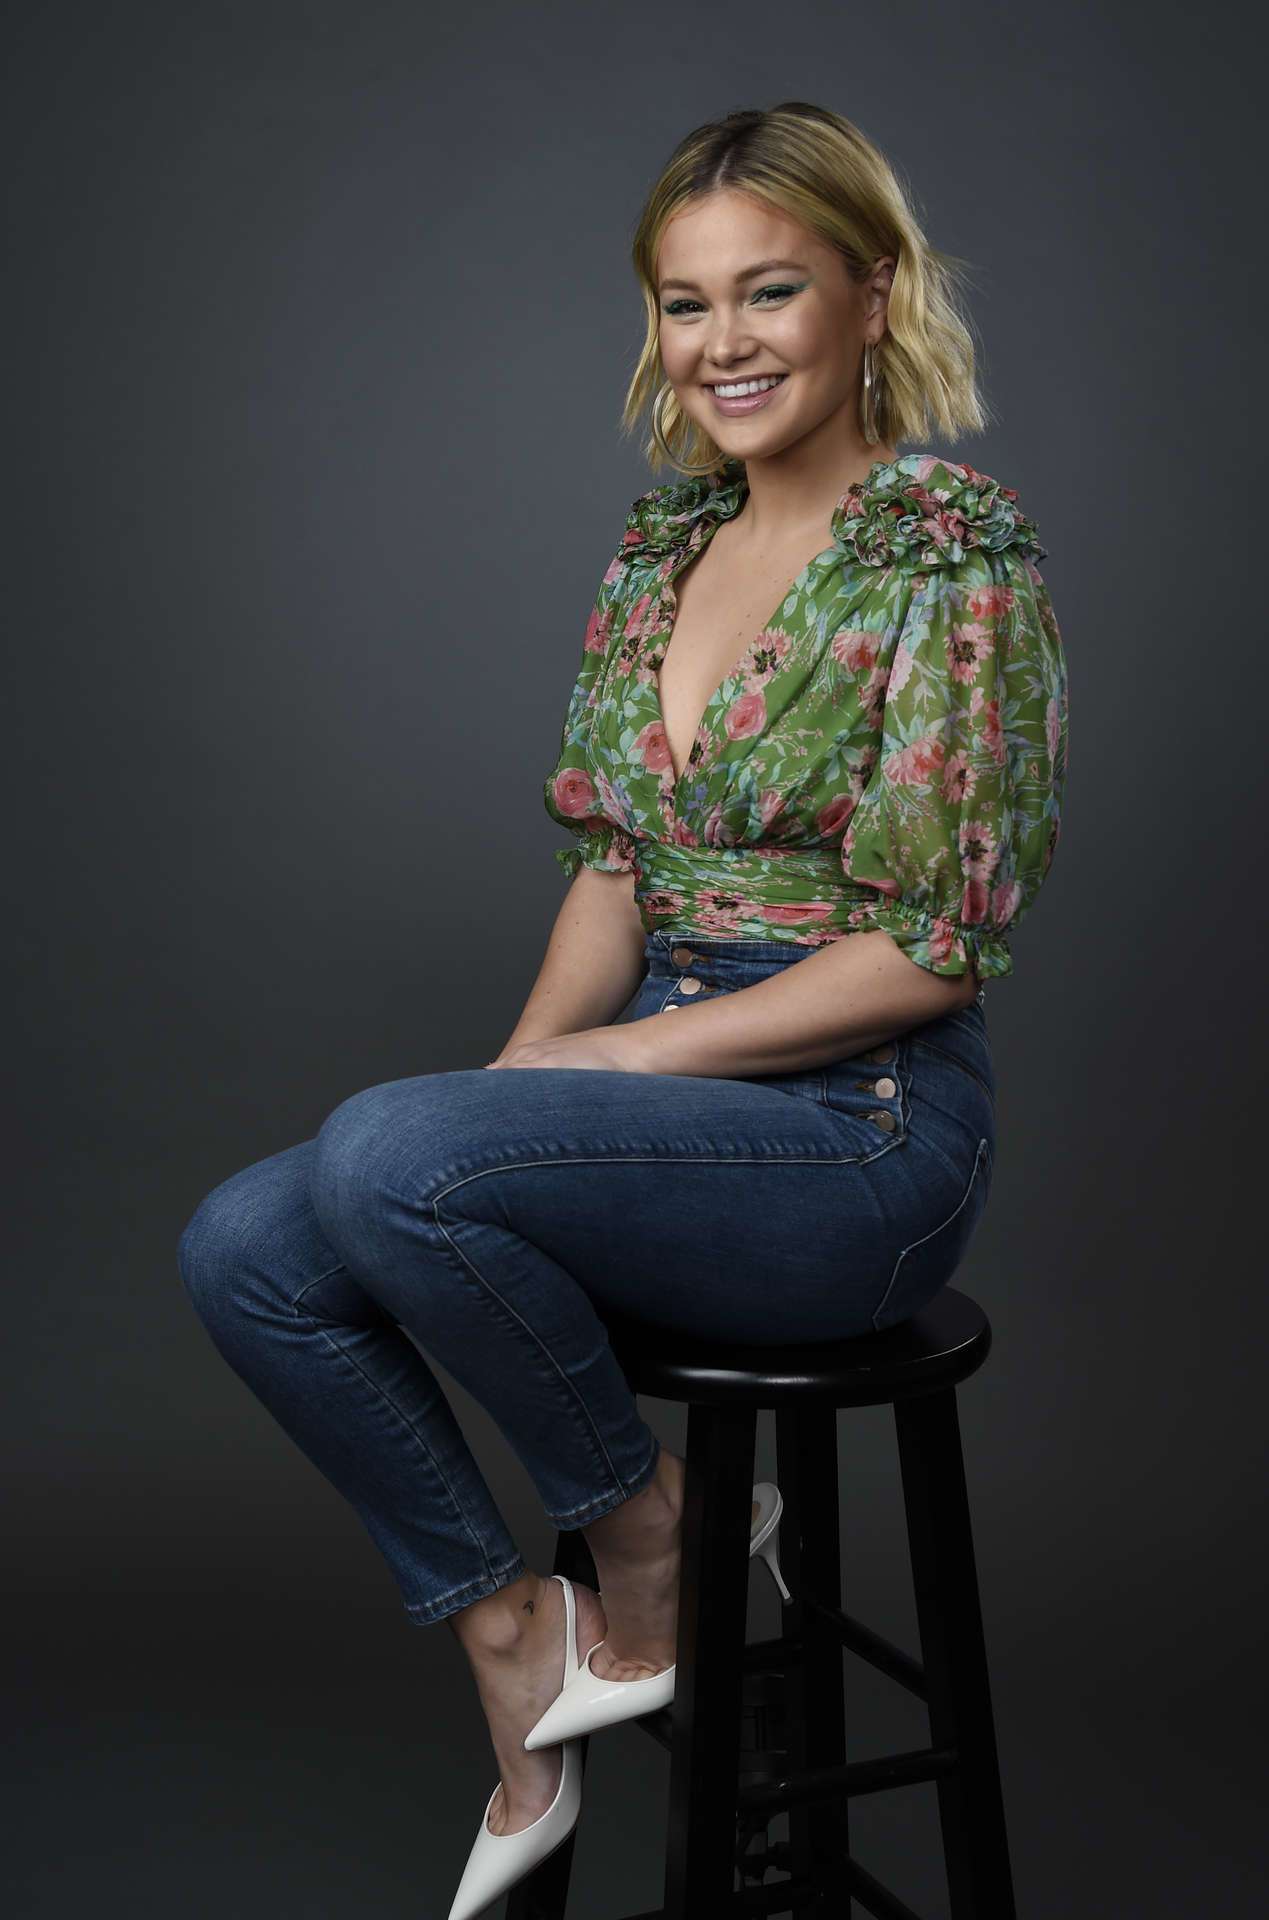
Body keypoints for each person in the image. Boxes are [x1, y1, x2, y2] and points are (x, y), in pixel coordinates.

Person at [178, 99, 1069, 1920]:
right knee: (248, 1248)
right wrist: (519, 1093)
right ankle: (516, 1636)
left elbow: (932, 950)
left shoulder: (951, 556)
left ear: (871, 293)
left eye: (769, 291)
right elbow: (612, 872)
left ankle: (648, 1532)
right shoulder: (661, 551)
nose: (723, 342)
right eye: (684, 302)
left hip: (862, 1135)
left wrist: (599, 1071)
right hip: (659, 1085)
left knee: (394, 1156)